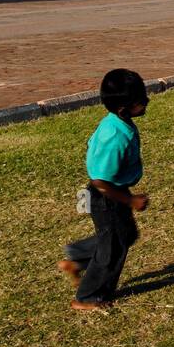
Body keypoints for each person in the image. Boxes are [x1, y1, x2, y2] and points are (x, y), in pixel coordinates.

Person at [58, 69, 151, 311]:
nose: (147, 101)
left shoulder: (115, 122)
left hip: (113, 191)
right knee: (112, 248)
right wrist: (130, 201)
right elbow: (101, 181)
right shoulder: (116, 136)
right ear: (124, 108)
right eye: (141, 100)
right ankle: (88, 296)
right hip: (106, 196)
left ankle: (78, 257)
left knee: (126, 235)